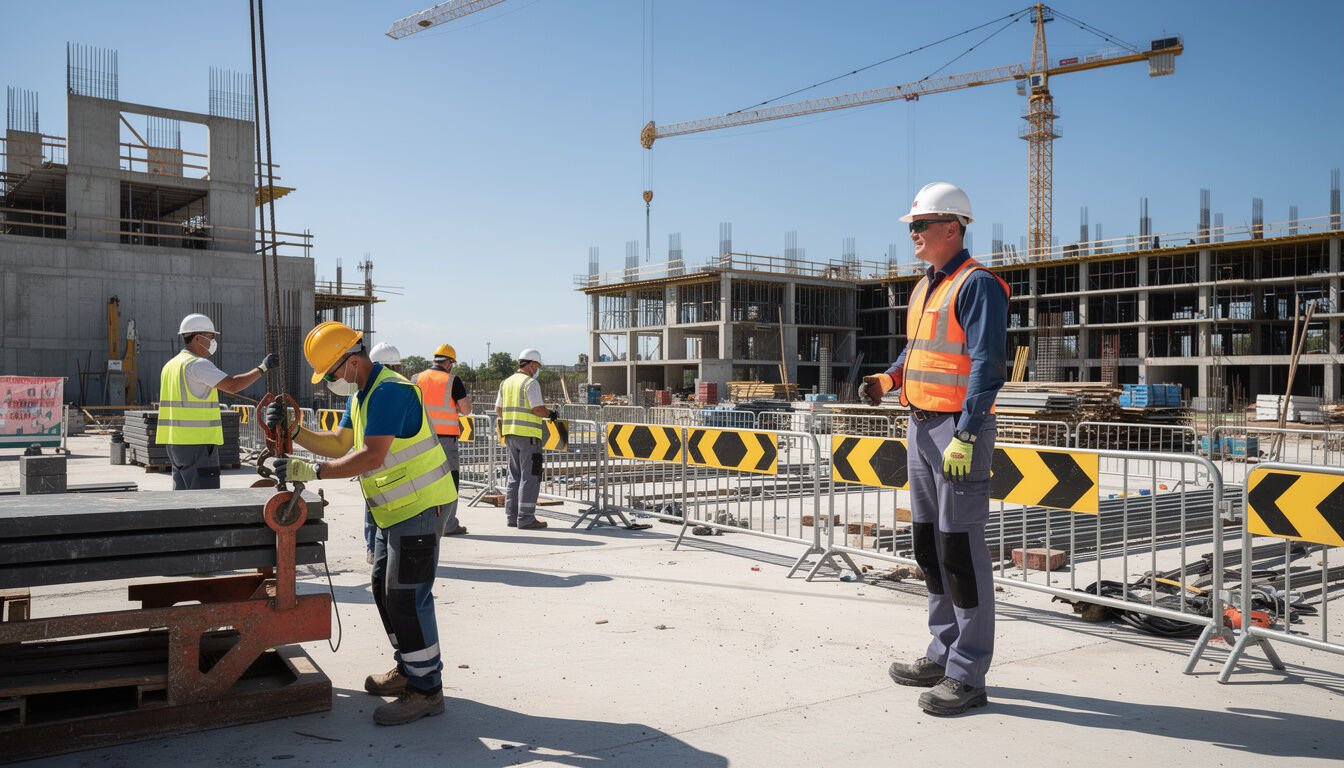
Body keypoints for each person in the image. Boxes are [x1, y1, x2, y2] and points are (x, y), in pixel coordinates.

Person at [859, 182, 1009, 716]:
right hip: (919, 426)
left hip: (955, 431)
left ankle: (969, 672)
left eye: (921, 226)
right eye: (912, 227)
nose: (914, 234)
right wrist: (887, 378)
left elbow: (989, 366)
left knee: (961, 552)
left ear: (953, 227)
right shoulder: (928, 285)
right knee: (929, 546)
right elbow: (919, 350)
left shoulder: (978, 286)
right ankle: (943, 651)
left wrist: (968, 433)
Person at [263, 321, 456, 726]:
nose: (330, 380)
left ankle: (426, 690)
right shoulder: (363, 394)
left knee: (406, 596)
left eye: (331, 373)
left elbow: (370, 456)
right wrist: (295, 431)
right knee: (384, 589)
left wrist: (312, 472)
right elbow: (339, 443)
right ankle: (410, 668)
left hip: (420, 507)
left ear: (350, 361)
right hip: (394, 509)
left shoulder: (390, 391)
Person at [156, 313, 276, 490]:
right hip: (197, 445)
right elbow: (232, 385)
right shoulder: (197, 364)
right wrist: (262, 368)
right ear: (198, 338)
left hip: (175, 444)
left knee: (182, 501)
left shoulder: (171, 365)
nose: (213, 342)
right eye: (211, 337)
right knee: (205, 501)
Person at [412, 343, 473, 537]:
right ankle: (448, 524)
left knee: (422, 480)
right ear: (449, 363)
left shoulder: (416, 378)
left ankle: (420, 519)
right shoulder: (452, 380)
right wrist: (454, 407)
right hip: (445, 440)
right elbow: (466, 410)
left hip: (420, 438)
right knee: (449, 480)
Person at [494, 348, 556, 530]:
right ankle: (526, 518)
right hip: (529, 437)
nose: (537, 370)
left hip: (510, 435)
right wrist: (550, 413)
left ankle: (512, 517)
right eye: (536, 366)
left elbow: (499, 409)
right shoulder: (530, 383)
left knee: (514, 476)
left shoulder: (506, 383)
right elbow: (537, 409)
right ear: (530, 365)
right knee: (530, 476)